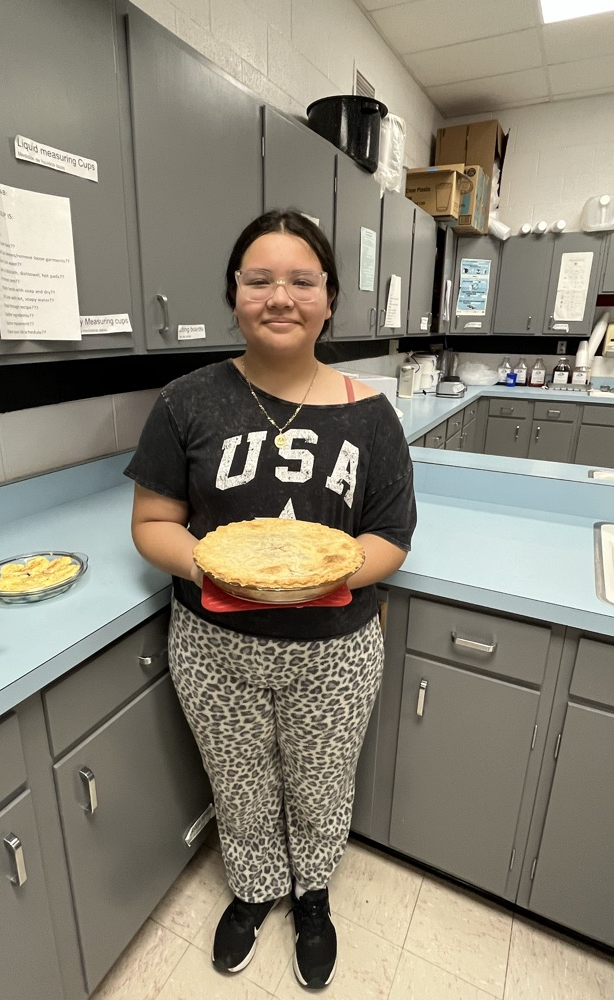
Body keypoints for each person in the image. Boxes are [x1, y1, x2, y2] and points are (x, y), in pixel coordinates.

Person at [124, 209, 416, 990]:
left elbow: (390, 538)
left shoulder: (370, 414)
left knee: (322, 781)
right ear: (234, 296)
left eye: (300, 280)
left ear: (328, 299)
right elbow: (153, 524)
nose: (278, 296)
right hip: (216, 647)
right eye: (259, 279)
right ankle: (253, 892)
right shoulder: (188, 401)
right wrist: (220, 570)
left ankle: (312, 895)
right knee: (239, 780)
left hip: (335, 648)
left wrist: (318, 577)